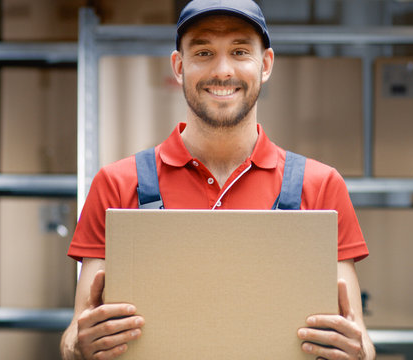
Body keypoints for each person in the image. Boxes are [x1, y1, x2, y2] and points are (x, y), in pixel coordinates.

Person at [60, 0, 375, 359]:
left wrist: (356, 351)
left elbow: (360, 340)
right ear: (179, 66)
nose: (222, 70)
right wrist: (78, 346)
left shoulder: (320, 187)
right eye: (204, 52)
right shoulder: (117, 185)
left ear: (266, 64)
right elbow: (75, 335)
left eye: (240, 51)